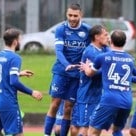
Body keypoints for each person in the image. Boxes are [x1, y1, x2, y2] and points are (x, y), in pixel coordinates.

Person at [0, 28, 43, 136]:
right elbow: (14, 82)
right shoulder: (15, 58)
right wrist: (32, 92)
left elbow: (0, 75)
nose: (21, 42)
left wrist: (18, 73)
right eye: (20, 39)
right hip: (7, 103)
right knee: (17, 134)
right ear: (15, 42)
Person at [44, 3, 91, 136]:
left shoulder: (87, 30)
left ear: (80, 15)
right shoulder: (61, 29)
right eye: (70, 15)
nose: (72, 18)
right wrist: (66, 65)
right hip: (61, 72)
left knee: (68, 107)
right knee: (55, 104)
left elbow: (91, 50)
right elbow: (58, 51)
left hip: (76, 75)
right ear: (66, 14)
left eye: (75, 16)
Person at [80, 30, 135, 136]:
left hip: (110, 100)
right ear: (125, 42)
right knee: (117, 130)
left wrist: (86, 67)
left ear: (111, 41)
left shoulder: (103, 57)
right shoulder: (130, 59)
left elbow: (90, 73)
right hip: (127, 101)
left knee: (92, 131)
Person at [74, 24, 110, 136]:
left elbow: (111, 59)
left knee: (95, 129)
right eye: (105, 35)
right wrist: (107, 67)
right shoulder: (91, 52)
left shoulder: (104, 49)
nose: (108, 37)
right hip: (87, 96)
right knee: (86, 129)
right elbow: (95, 73)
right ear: (97, 37)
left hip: (98, 95)